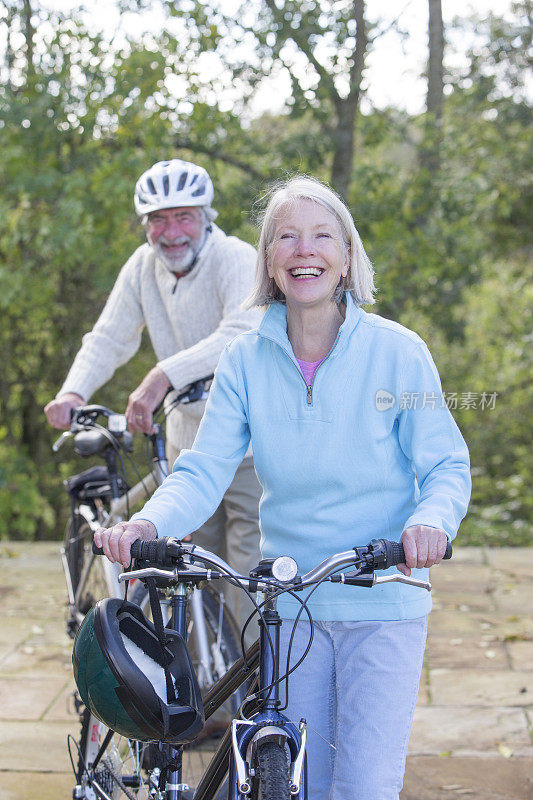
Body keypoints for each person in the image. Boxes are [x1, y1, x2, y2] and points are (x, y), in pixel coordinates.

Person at [95, 175, 471, 799]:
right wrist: (148, 523)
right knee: (300, 783)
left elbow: (445, 466)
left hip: (383, 597)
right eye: (288, 237)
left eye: (323, 236)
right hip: (291, 605)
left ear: (347, 256)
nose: (306, 250)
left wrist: (430, 522)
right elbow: (204, 467)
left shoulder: (399, 353)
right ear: (269, 260)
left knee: (365, 788)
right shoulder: (244, 359)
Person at [45, 158, 263, 631]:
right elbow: (109, 336)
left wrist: (163, 374)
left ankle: (252, 697)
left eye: (183, 216)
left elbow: (245, 329)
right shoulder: (143, 267)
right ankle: (200, 694)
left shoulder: (236, 257)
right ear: (145, 226)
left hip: (249, 442)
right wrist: (73, 390)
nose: (172, 232)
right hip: (188, 443)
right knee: (186, 569)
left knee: (246, 571)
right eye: (158, 220)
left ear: (207, 217)